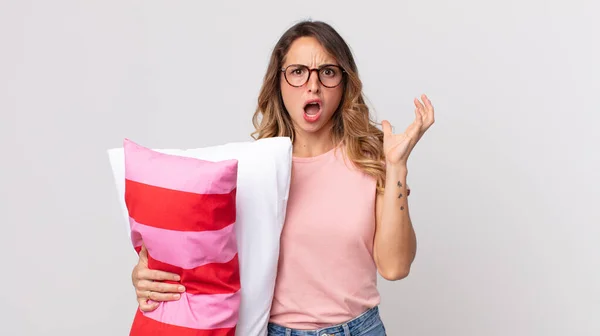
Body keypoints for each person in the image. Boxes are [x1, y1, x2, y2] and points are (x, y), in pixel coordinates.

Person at [130, 20, 435, 336]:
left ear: (344, 84)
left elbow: (395, 267)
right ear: (279, 83)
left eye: (328, 72)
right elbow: (200, 255)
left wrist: (396, 166)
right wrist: (147, 273)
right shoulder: (250, 169)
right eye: (298, 71)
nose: (312, 85)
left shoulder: (372, 162)